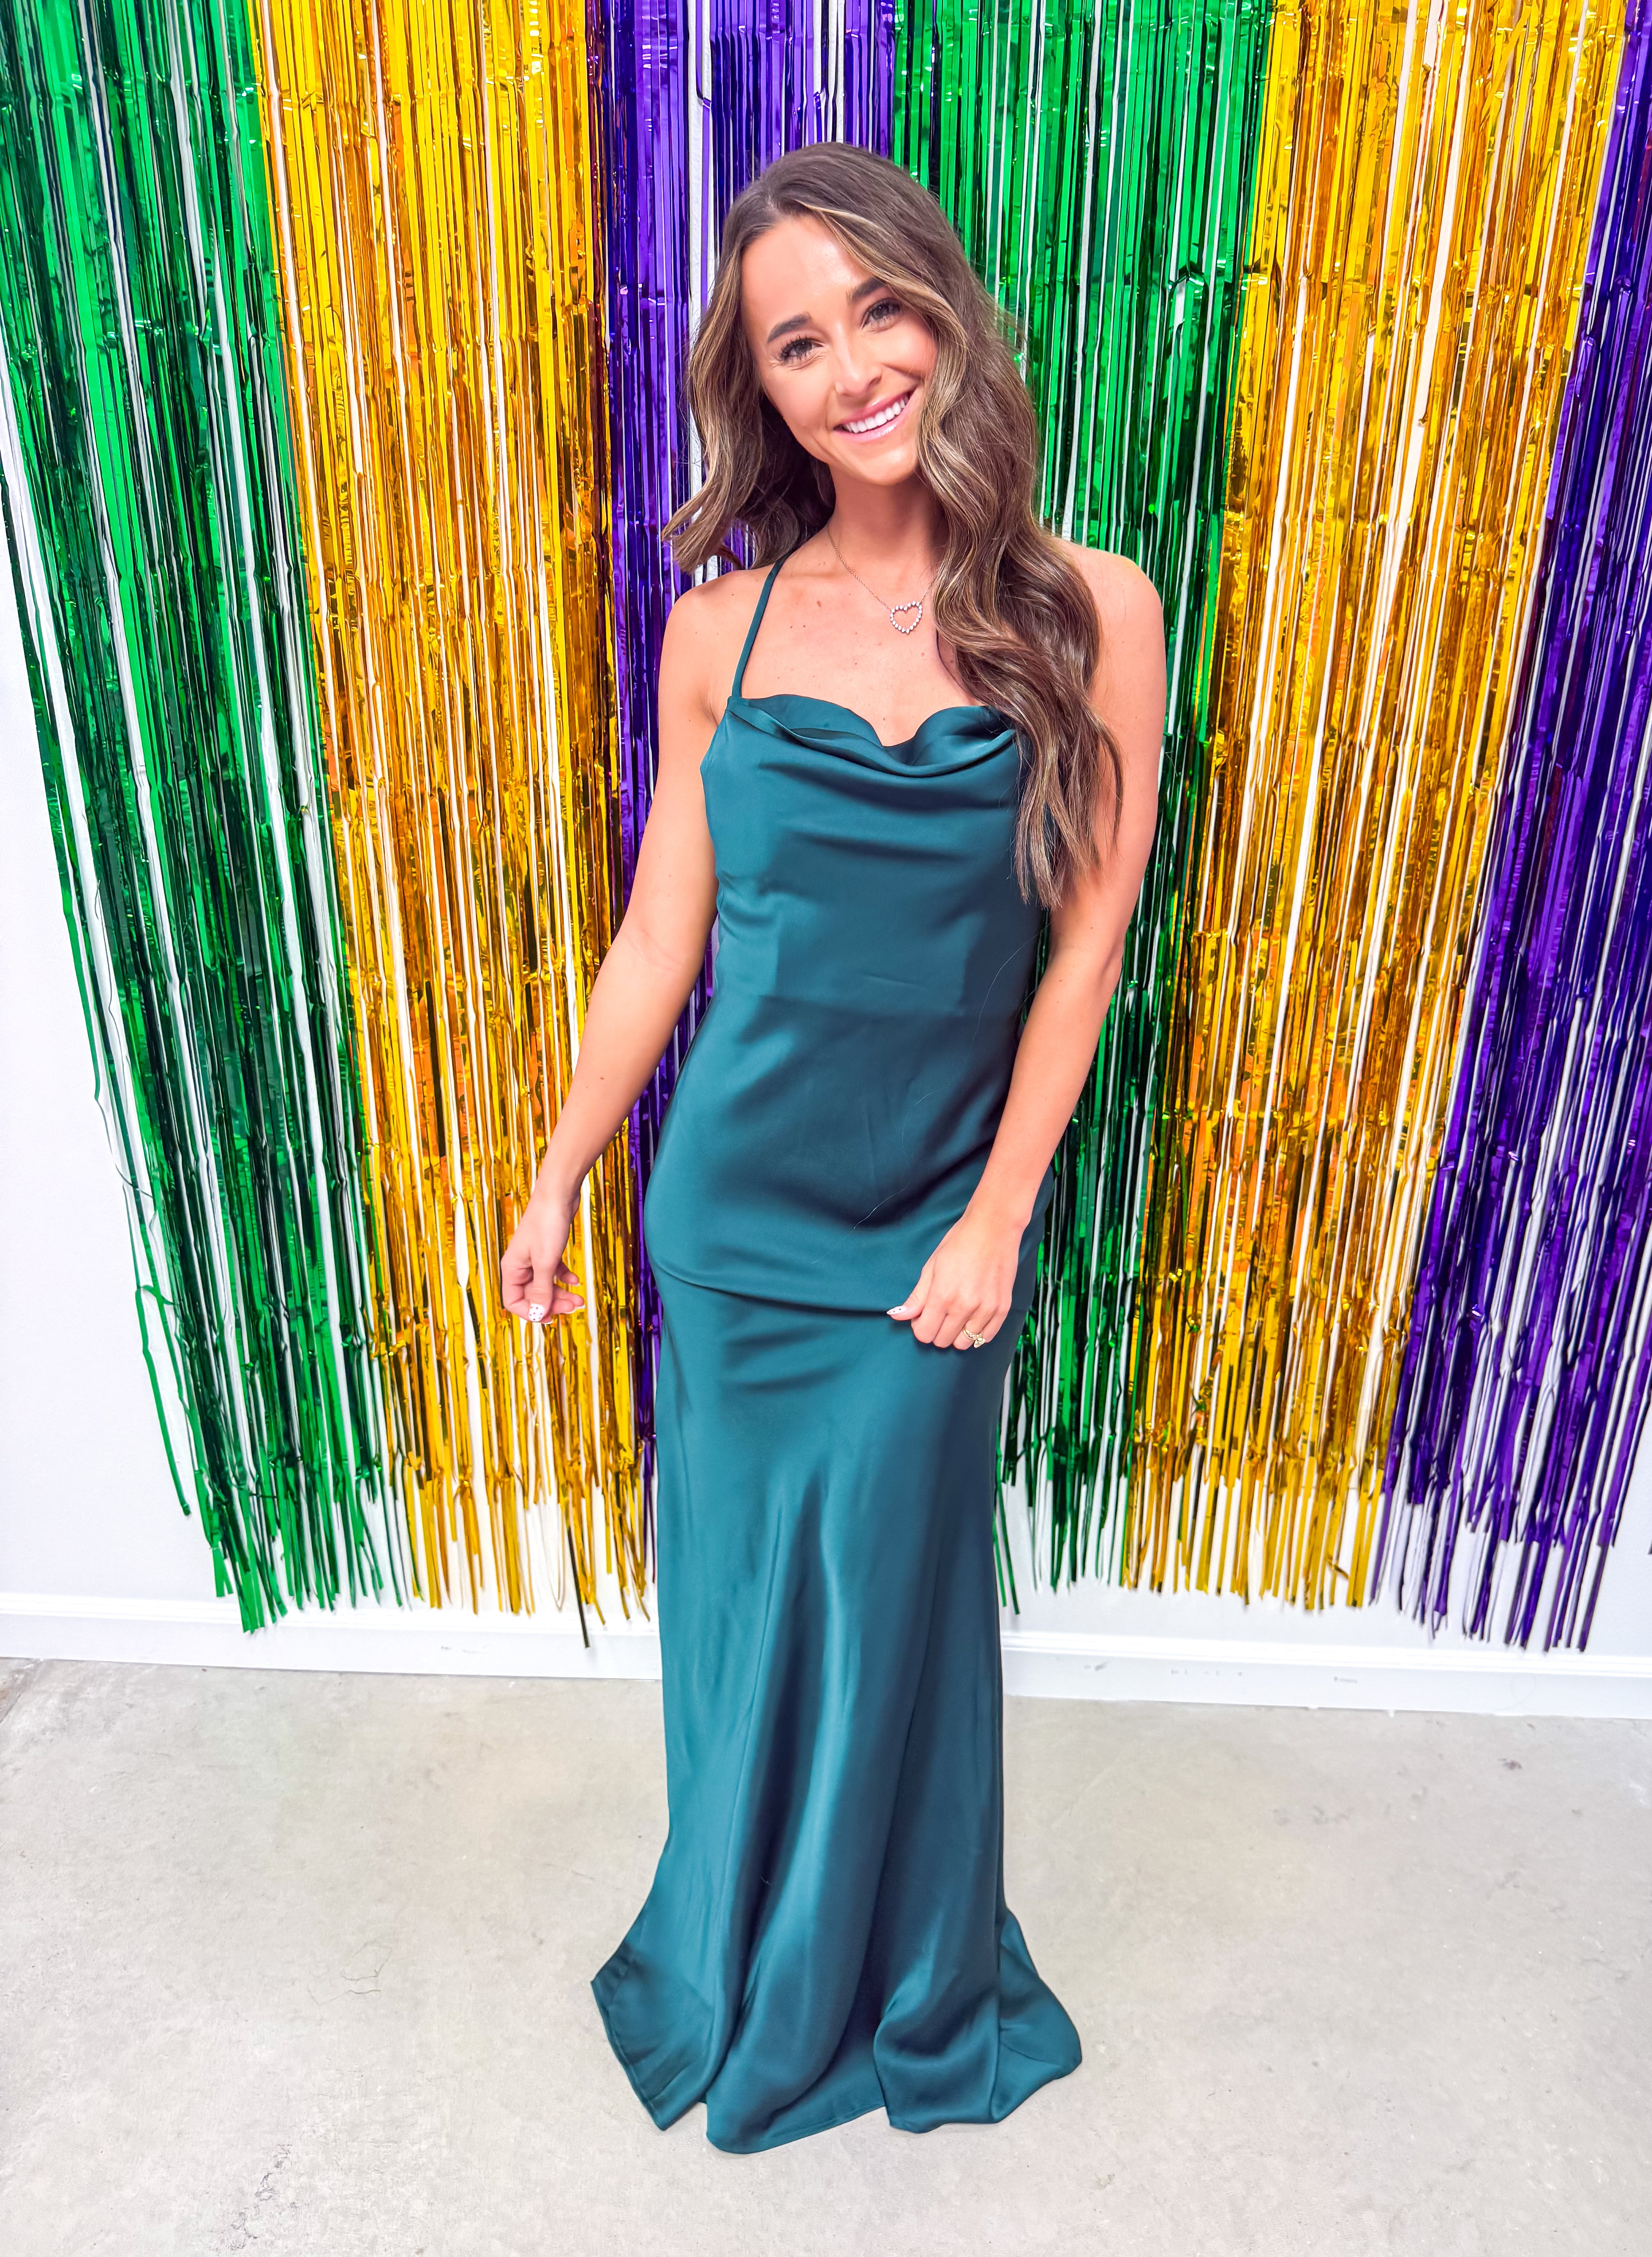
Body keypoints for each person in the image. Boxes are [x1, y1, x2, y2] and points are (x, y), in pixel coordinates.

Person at [499, 142, 1165, 2153]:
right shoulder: (721, 630)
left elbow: (1088, 949)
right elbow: (659, 941)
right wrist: (562, 1171)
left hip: (933, 1223)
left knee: (890, 1611)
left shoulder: (1095, 609)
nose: (854, 366)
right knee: (743, 1620)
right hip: (739, 1213)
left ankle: (888, 1981)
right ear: (766, 391)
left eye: (881, 310)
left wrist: (999, 1219)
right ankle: (739, 1961)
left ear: (947, 316)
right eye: (800, 342)